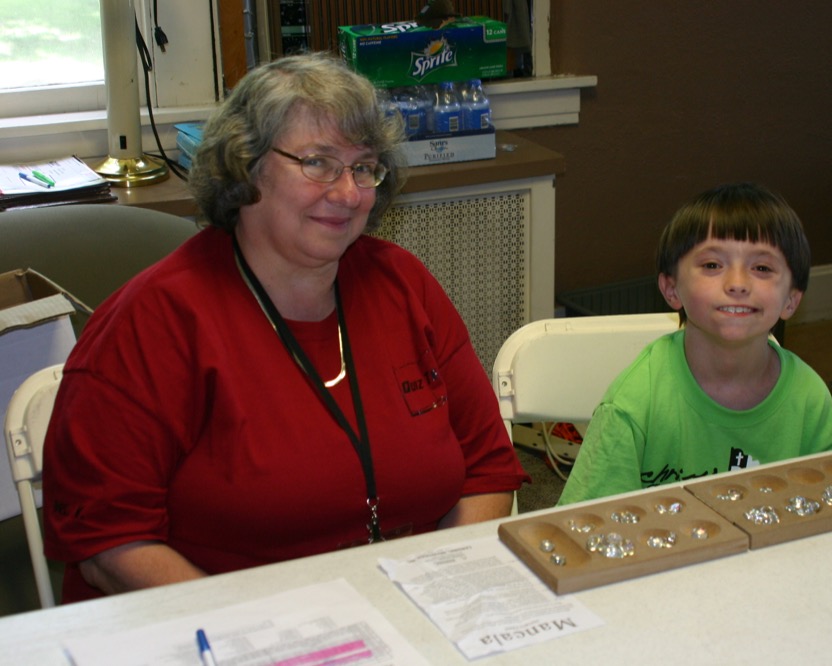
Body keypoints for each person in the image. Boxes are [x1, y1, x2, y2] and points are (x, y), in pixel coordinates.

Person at [43, 53, 529, 603]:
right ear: (246, 167)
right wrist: (264, 631)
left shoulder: (402, 285)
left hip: (406, 608)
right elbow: (110, 546)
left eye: (364, 167)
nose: (348, 193)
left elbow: (488, 470)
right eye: (318, 163)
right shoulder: (151, 325)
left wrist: (443, 587)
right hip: (211, 623)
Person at [558, 182, 832, 505]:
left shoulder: (810, 399)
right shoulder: (633, 404)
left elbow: (825, 511)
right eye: (712, 265)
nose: (737, 284)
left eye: (762, 268)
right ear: (672, 289)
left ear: (791, 300)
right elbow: (585, 522)